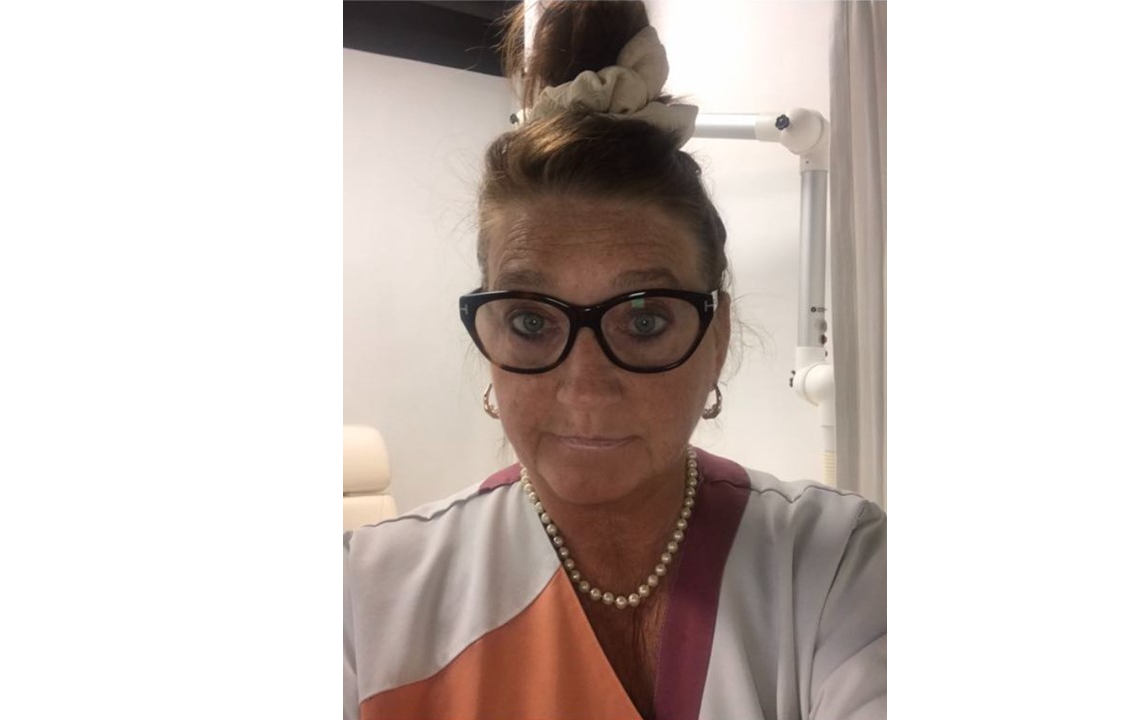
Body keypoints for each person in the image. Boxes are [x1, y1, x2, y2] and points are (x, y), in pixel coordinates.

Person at [343, 2, 886, 718]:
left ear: (717, 339)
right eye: (532, 321)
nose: (586, 389)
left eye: (645, 320)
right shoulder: (366, 600)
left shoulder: (836, 566)